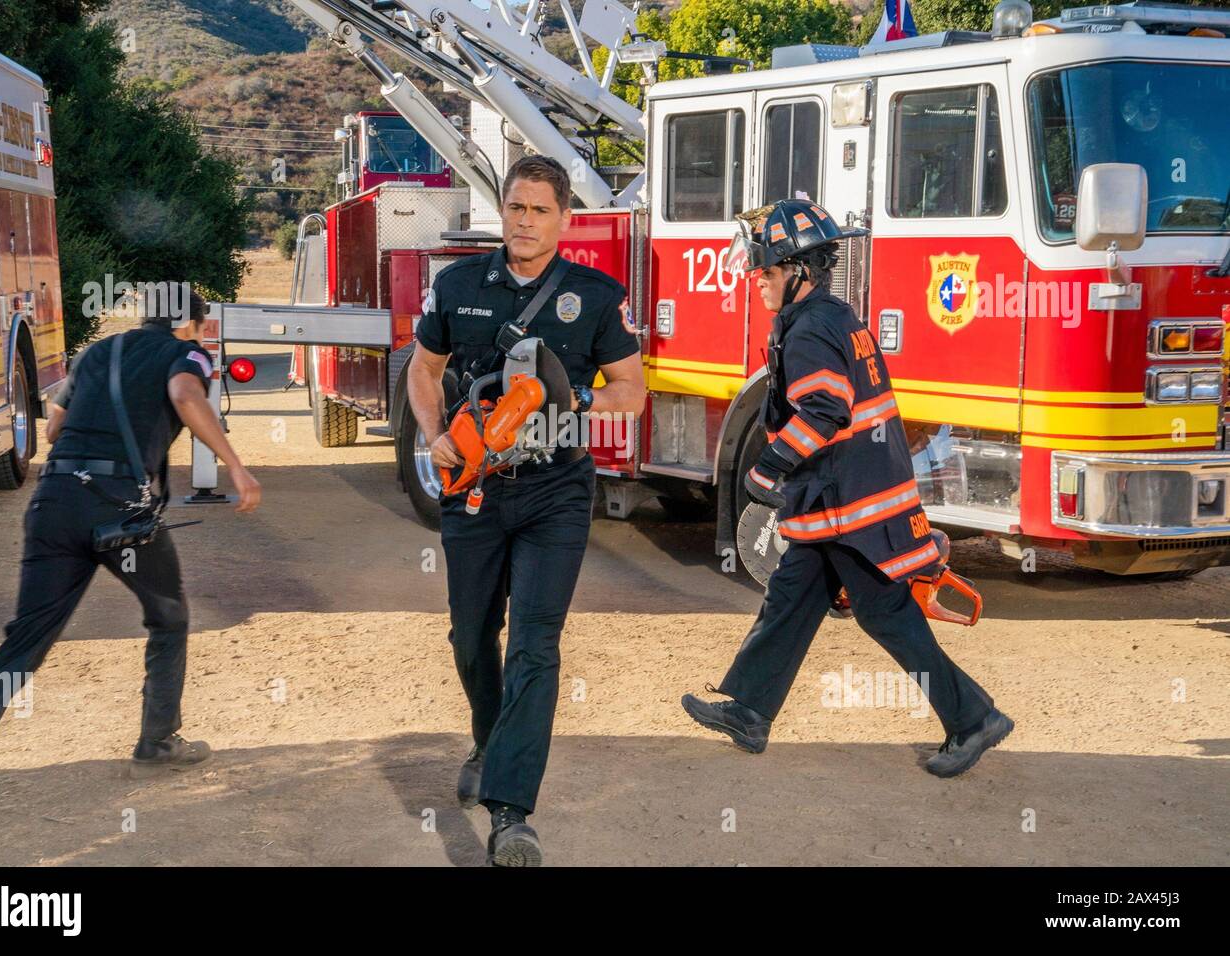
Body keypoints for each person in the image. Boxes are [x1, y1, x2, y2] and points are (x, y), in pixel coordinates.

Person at [681, 198, 1012, 777]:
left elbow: (825, 410)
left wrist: (769, 468)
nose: (758, 281)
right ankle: (750, 711)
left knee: (886, 616)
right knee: (789, 601)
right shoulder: (831, 317)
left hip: (850, 508)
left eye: (767, 271)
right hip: (840, 503)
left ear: (799, 273)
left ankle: (972, 718)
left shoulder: (809, 330)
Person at [0, 289, 261, 841]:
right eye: (203, 327)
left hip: (54, 499)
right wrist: (236, 467)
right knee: (170, 616)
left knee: (25, 638)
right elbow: (184, 395)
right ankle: (156, 743)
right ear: (190, 326)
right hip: (118, 510)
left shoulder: (96, 353)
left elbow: (55, 429)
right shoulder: (190, 356)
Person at [407, 155, 646, 865]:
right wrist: (433, 435)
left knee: (536, 646)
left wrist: (578, 401)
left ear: (566, 220)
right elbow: (422, 369)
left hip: (557, 492)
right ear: (502, 210)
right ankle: (488, 738)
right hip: (474, 487)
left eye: (541, 210)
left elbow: (631, 390)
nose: (525, 221)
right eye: (516, 207)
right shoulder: (457, 286)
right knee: (469, 637)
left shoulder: (597, 296)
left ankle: (510, 813)